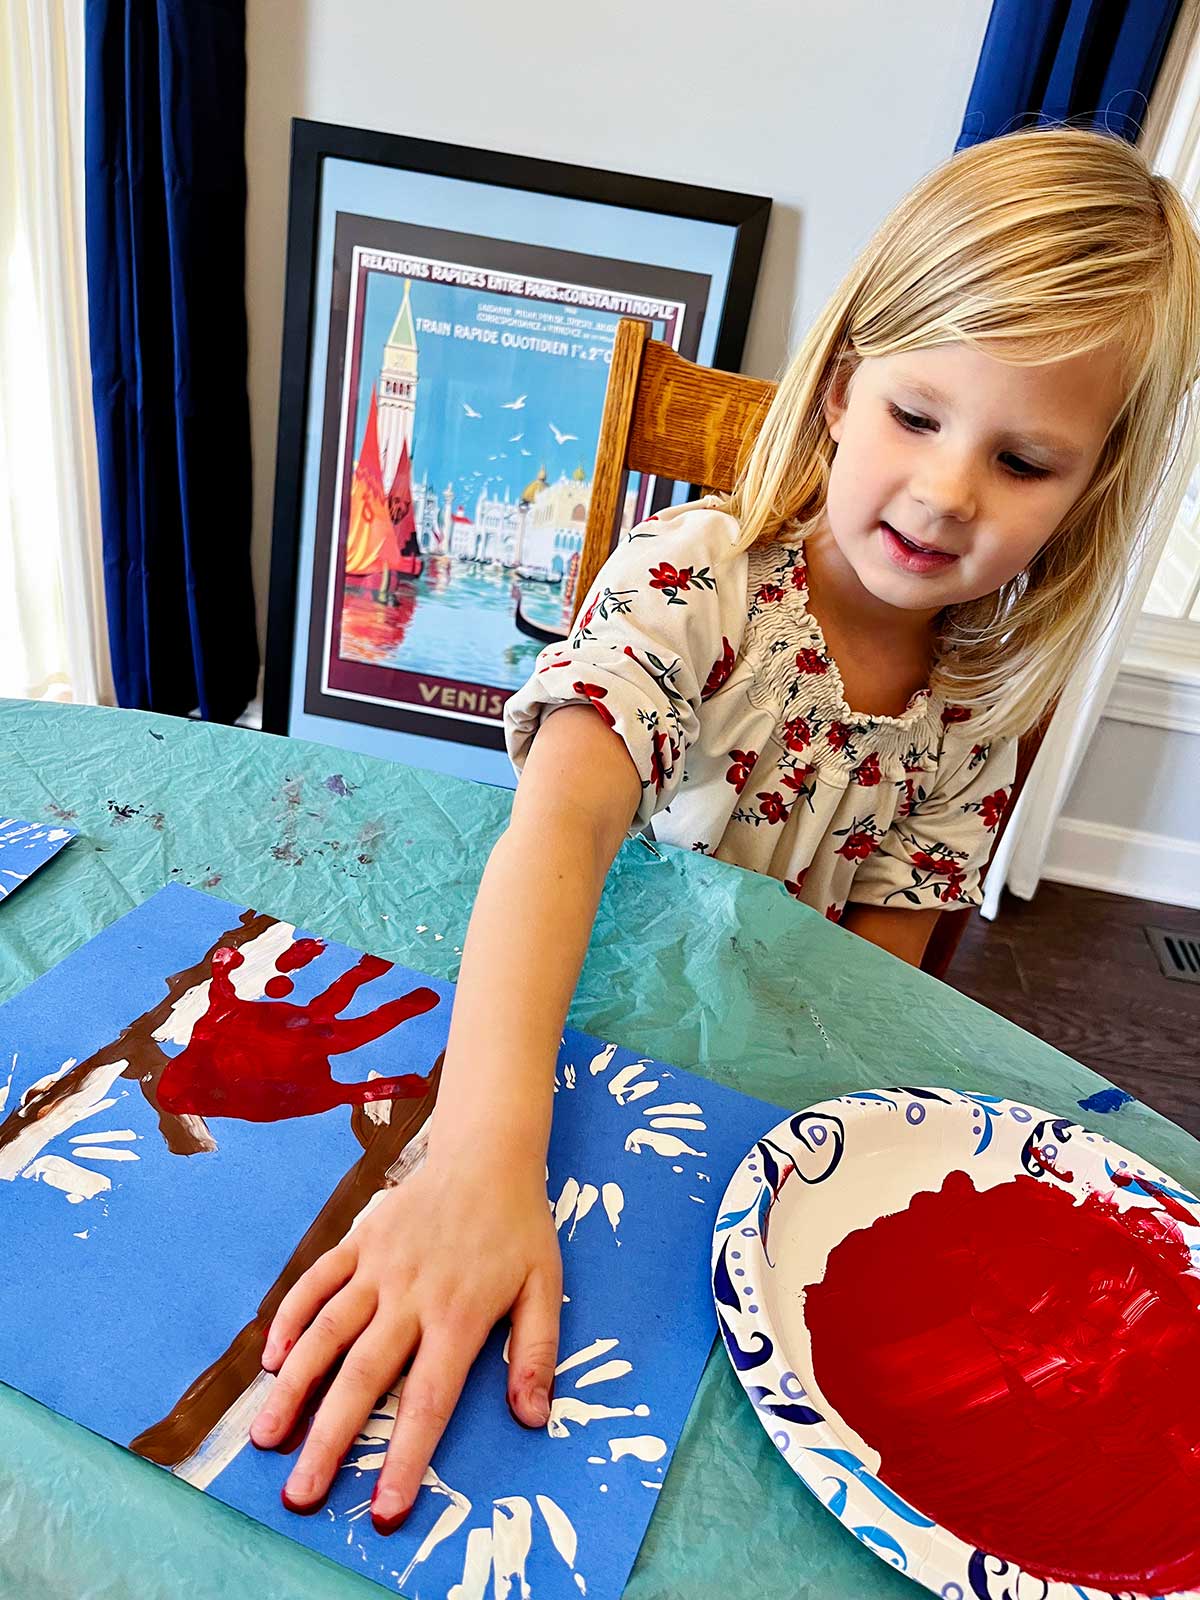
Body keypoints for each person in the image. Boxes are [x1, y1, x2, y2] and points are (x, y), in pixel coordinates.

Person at [248, 125, 1200, 1532]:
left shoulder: (980, 710)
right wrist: (480, 1159)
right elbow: (559, 831)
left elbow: (872, 988)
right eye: (917, 415)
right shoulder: (698, 582)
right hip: (527, 1045)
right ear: (837, 390)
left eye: (1025, 460)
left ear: (1092, 490)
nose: (946, 494)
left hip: (733, 1125)